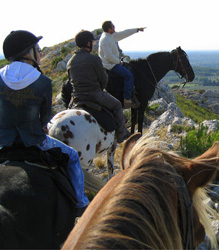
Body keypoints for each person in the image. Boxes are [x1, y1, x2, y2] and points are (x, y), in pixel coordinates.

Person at [0, 30, 89, 215]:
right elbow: (45, 119)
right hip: (34, 141)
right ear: (28, 53)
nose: (40, 53)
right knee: (72, 157)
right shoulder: (42, 81)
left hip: (3, 140)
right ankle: (81, 203)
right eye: (37, 49)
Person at [67, 30, 130, 143]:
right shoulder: (94, 59)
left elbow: (70, 80)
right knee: (117, 105)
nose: (94, 44)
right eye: (92, 42)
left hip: (77, 97)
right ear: (88, 43)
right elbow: (103, 78)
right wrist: (100, 89)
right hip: (94, 94)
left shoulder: (70, 61)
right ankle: (121, 134)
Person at [99, 20, 145, 109]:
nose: (114, 27)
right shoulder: (105, 40)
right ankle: (127, 99)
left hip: (113, 62)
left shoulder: (110, 36)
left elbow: (124, 33)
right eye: (113, 26)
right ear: (109, 29)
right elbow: (108, 57)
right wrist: (119, 62)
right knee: (129, 76)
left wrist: (136, 30)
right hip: (110, 65)